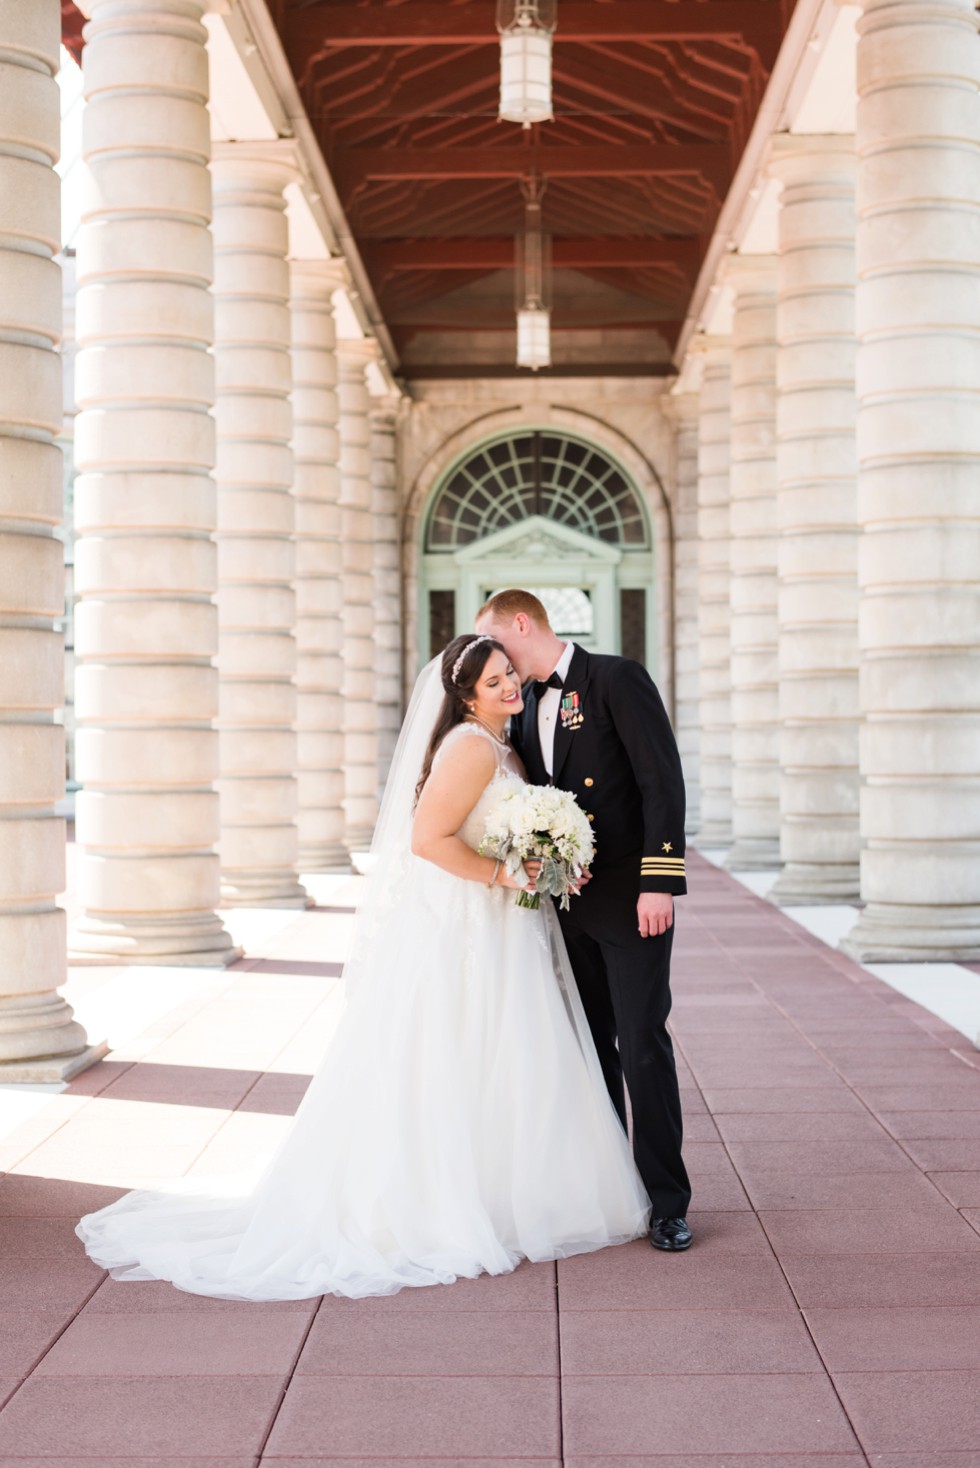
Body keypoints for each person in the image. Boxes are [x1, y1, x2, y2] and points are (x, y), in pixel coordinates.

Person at [76, 634, 650, 1301]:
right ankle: (441, 1201)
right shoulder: (468, 747)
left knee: (507, 1052)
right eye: (491, 682)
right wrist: (505, 873)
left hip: (506, 923)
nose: (506, 688)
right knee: (461, 1050)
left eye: (507, 676)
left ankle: (507, 1191)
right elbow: (426, 841)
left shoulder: (503, 747)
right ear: (464, 695)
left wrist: (549, 859)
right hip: (472, 923)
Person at [475, 590, 693, 1251]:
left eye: (495, 641)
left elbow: (662, 782)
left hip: (632, 902)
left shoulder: (616, 679)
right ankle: (612, 1189)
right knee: (588, 1047)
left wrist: (660, 881)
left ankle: (665, 1201)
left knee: (641, 1044)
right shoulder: (523, 707)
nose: (494, 659)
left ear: (522, 623)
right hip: (566, 907)